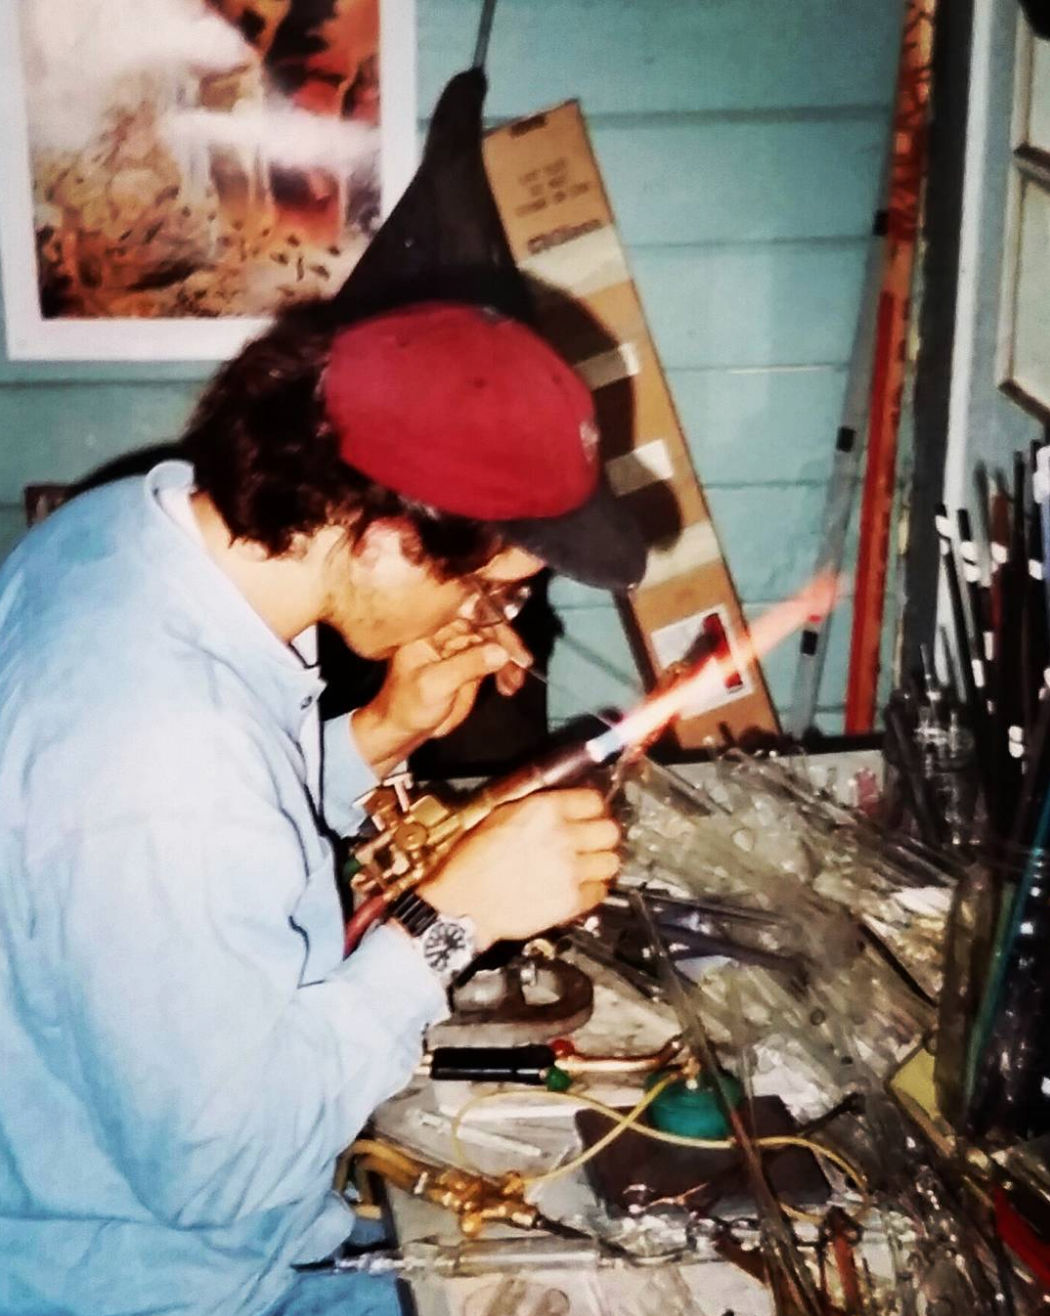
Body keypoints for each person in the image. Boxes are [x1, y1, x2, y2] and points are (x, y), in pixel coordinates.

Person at [0, 301, 646, 1316]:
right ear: (387, 540)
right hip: (157, 1274)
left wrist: (376, 733)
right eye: (493, 587)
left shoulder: (134, 536)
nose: (488, 615)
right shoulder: (157, 744)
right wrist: (450, 916)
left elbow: (215, 814)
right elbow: (223, 1170)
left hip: (162, 1214)